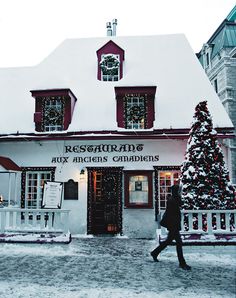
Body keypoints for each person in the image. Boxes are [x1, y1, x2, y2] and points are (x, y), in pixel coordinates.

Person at [150, 184, 191, 270]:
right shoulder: (172, 200)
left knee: (168, 241)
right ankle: (182, 263)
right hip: (173, 225)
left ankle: (155, 252)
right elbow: (172, 214)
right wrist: (173, 226)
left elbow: (180, 204)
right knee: (179, 243)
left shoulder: (174, 199)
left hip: (174, 225)